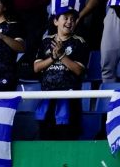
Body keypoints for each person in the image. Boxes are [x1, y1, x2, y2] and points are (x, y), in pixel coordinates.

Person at [34, 7, 88, 140]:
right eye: (66, 18)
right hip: (47, 98)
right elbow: (36, 67)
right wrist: (53, 58)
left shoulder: (79, 43)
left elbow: (78, 70)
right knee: (45, 140)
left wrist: (62, 55)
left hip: (69, 101)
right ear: (56, 21)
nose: (69, 22)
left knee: (66, 139)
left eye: (73, 19)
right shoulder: (46, 41)